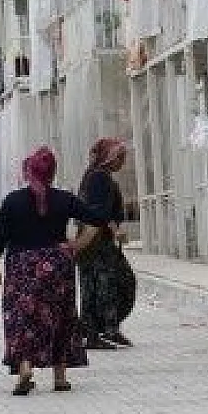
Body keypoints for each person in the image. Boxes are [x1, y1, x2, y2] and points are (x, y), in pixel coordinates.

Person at [0, 147, 107, 396]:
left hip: (21, 267)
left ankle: (24, 368)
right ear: (52, 174)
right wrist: (77, 244)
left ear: (27, 172)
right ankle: (60, 377)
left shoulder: (12, 201)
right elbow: (97, 219)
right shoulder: (64, 199)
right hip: (56, 265)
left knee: (21, 320)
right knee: (60, 317)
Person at [76, 138, 138, 350]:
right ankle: (100, 331)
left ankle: (105, 329)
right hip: (95, 244)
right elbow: (98, 212)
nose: (123, 162)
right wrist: (115, 230)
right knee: (111, 285)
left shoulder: (96, 176)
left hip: (95, 243)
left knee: (100, 287)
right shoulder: (99, 178)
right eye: (120, 157)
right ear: (110, 158)